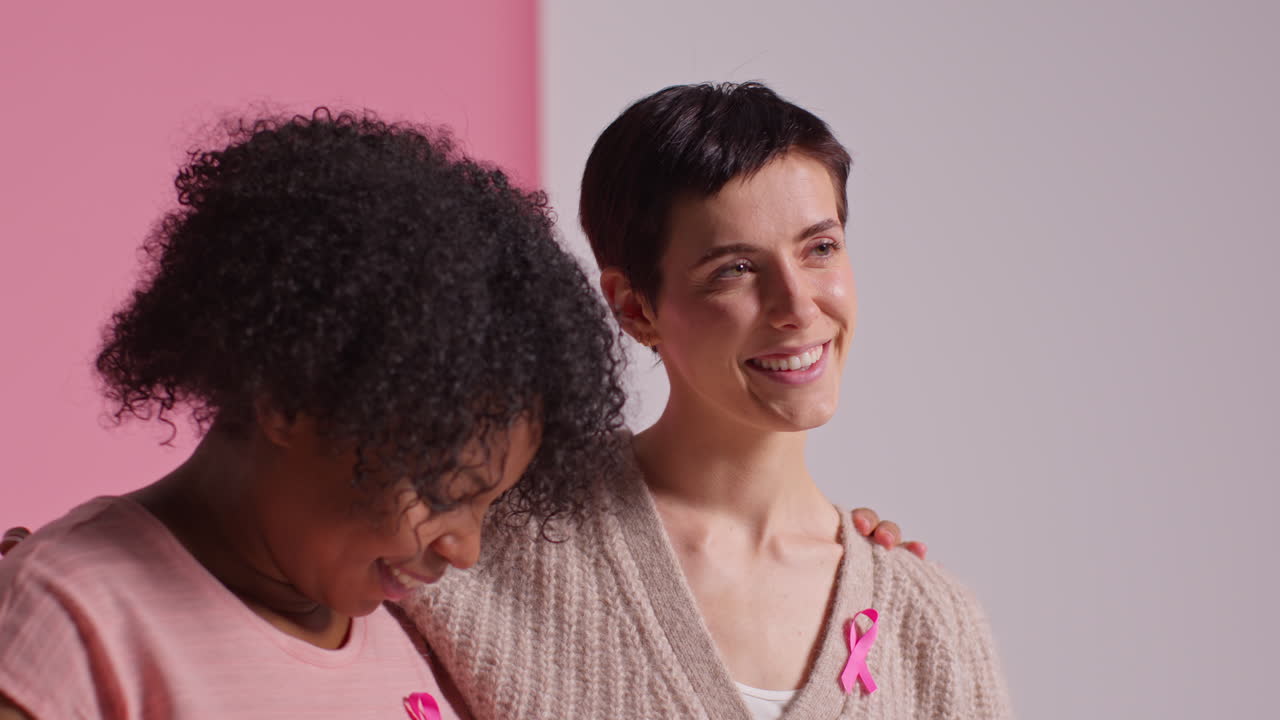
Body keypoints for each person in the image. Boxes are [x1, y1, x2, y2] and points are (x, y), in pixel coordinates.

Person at [405, 82, 1013, 719]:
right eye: (735, 269)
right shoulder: (480, 548)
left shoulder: (933, 626)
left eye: (820, 249)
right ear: (635, 309)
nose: (799, 307)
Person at [0, 110, 630, 719]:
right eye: (443, 491)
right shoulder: (71, 618)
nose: (465, 549)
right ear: (290, 397)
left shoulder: (397, 627)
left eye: (486, 504)